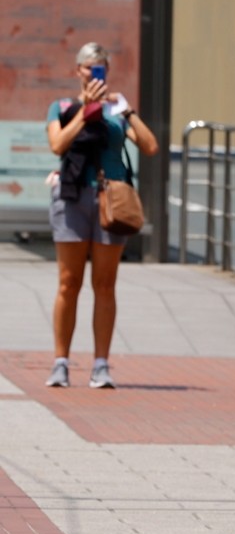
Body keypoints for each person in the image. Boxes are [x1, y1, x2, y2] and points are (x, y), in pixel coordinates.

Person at [45, 42, 158, 389]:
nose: (95, 74)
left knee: (105, 285)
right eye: (89, 68)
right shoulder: (62, 106)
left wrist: (126, 111)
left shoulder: (116, 112)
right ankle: (61, 362)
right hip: (73, 198)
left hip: (112, 200)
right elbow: (57, 145)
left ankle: (101, 364)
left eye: (101, 68)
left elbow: (150, 146)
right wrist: (85, 110)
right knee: (69, 282)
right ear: (77, 71)